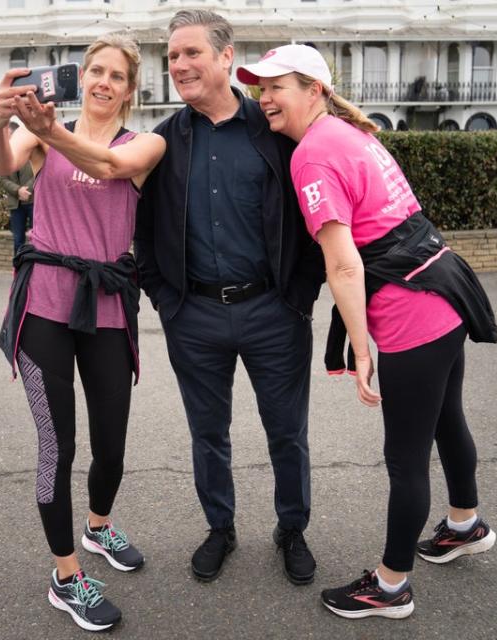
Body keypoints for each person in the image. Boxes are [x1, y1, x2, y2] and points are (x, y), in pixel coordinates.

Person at [238, 44, 497, 620]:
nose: (264, 98)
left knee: (406, 458)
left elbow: (344, 264)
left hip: (414, 315)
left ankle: (390, 586)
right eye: (260, 88)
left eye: (276, 86)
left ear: (313, 90)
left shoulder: (311, 155)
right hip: (446, 294)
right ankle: (464, 523)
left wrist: (361, 348)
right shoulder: (353, 134)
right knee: (448, 419)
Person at [134, 10, 325, 586]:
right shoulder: (163, 142)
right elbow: (141, 229)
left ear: (225, 57)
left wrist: (300, 295)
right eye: (171, 57)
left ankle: (291, 528)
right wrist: (167, 300)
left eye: (191, 52)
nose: (180, 65)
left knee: (287, 432)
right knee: (207, 434)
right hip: (193, 316)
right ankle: (221, 527)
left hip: (274, 312)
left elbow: (314, 211)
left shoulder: (275, 131)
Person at [0, 32, 166, 632]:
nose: (103, 82)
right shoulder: (38, 131)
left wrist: (48, 129)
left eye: (117, 75)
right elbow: (3, 164)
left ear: (128, 89)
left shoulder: (146, 143)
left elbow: (112, 166)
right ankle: (66, 577)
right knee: (55, 446)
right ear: (81, 75)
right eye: (95, 70)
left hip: (109, 306)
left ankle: (97, 527)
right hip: (44, 304)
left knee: (111, 442)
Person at [4, 121, 36, 255]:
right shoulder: (3, 154)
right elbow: (2, 178)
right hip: (15, 204)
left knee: (37, 238)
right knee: (18, 240)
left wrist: (26, 189)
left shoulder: (31, 149)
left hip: (33, 200)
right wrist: (18, 191)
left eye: (8, 134)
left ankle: (37, 268)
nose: (6, 137)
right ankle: (18, 269)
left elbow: (38, 171)